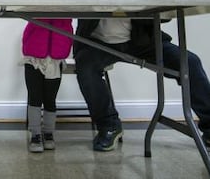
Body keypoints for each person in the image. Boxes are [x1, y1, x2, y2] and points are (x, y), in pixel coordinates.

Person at [73, 18, 210, 152]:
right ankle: (109, 125)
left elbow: (164, 15)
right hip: (97, 42)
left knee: (189, 63)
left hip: (142, 40)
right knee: (86, 69)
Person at [22, 18, 73, 152]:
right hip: (34, 57)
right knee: (34, 97)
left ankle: (48, 133)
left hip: (56, 58)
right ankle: (35, 134)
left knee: (50, 98)